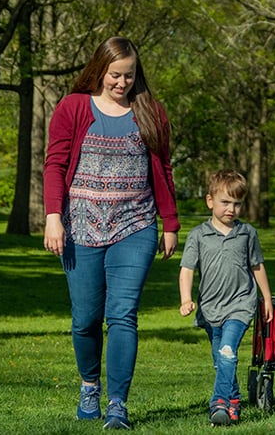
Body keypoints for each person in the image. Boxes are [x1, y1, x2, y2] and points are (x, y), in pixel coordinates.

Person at [43, 36, 180, 430]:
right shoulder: (73, 107)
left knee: (123, 315)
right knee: (85, 318)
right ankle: (90, 385)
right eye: (115, 75)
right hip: (80, 225)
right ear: (99, 70)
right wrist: (54, 215)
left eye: (129, 76)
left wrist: (169, 223)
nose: (122, 83)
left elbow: (163, 169)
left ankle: (118, 403)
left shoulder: (151, 112)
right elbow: (55, 164)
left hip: (135, 226)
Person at [179, 169, 273, 426]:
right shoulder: (198, 235)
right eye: (225, 202)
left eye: (237, 203)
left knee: (228, 351)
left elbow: (257, 266)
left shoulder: (247, 233)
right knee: (220, 359)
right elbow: (187, 269)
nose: (231, 209)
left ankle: (218, 403)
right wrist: (186, 298)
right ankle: (233, 401)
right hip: (210, 308)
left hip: (240, 305)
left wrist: (266, 298)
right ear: (210, 201)